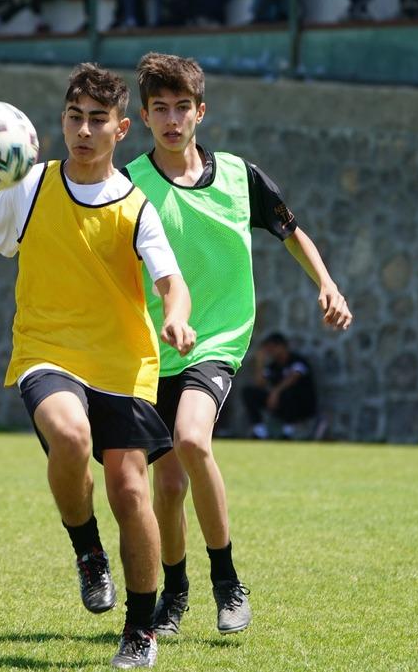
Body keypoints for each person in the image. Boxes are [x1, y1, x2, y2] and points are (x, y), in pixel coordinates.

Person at [0, 64, 197, 669]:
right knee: (70, 436)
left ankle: (140, 629)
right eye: (74, 117)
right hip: (45, 350)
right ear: (59, 123)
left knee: (131, 490)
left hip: (125, 362)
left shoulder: (137, 208)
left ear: (122, 128)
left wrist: (177, 316)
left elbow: (170, 282)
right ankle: (87, 552)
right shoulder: (29, 187)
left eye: (97, 120)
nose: (83, 129)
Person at [123, 52, 352, 638]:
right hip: (153, 349)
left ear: (201, 112)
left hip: (218, 339)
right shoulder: (129, 185)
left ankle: (227, 582)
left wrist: (327, 285)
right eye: (160, 110)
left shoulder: (237, 175)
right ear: (145, 117)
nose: (172, 120)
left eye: (182, 108)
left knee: (193, 440)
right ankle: (174, 594)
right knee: (168, 487)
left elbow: (290, 230)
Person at [242, 333, 322, 440]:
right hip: (280, 405)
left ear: (282, 347)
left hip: (301, 406)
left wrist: (276, 392)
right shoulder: (273, 366)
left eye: (272, 348)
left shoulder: (297, 361)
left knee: (289, 392)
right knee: (249, 392)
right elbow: (260, 384)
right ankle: (260, 431)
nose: (270, 351)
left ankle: (288, 432)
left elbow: (294, 378)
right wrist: (260, 363)